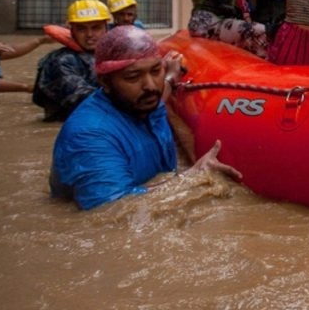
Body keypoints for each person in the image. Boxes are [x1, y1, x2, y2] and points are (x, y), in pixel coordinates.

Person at [49, 25, 242, 210]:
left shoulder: (142, 100)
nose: (150, 85)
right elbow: (112, 209)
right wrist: (194, 176)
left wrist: (171, 78)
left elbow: (160, 93)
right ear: (105, 82)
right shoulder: (89, 136)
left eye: (155, 71)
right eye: (133, 77)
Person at [32, 0, 111, 122]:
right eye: (81, 29)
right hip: (70, 124)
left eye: (96, 28)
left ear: (106, 29)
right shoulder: (61, 61)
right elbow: (82, 97)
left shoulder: (111, 54)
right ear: (72, 31)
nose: (89, 34)